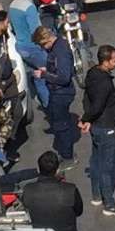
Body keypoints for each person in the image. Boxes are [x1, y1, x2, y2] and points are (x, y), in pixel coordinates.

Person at [79, 43, 115, 216]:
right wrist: (86, 118)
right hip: (104, 127)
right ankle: (109, 204)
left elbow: (87, 98)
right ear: (106, 62)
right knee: (106, 167)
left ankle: (96, 195)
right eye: (114, 60)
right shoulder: (104, 83)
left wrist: (87, 119)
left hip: (95, 126)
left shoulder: (92, 73)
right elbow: (98, 105)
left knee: (95, 160)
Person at [19, 152, 90, 231]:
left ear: (39, 168)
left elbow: (26, 206)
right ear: (57, 169)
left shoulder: (28, 190)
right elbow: (79, 211)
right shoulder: (70, 190)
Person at [32, 16, 79, 162]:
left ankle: (67, 156)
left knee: (61, 125)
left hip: (61, 93)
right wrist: (48, 69)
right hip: (58, 92)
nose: (42, 49)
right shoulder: (58, 47)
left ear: (46, 41)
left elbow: (64, 77)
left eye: (41, 45)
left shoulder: (60, 51)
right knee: (59, 121)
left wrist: (44, 74)